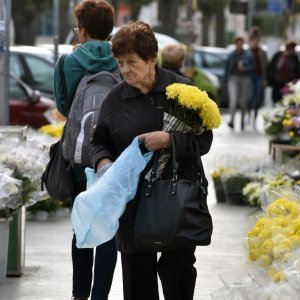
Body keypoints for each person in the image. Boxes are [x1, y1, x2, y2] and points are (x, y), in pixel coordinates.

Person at [90, 20, 213, 300]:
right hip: (132, 202)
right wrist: (104, 164)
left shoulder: (182, 92)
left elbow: (204, 141)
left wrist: (170, 140)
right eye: (120, 63)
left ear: (150, 59)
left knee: (178, 271)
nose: (125, 69)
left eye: (131, 62)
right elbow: (99, 143)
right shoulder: (115, 98)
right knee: (137, 279)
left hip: (176, 197)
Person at [53, 1, 118, 299]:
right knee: (109, 230)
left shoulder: (67, 63)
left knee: (82, 227)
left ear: (84, 30)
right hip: (114, 157)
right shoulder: (121, 59)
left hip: (80, 156)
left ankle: (79, 294)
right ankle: (100, 296)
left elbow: (63, 106)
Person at [225, 36, 254, 130]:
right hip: (233, 78)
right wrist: (225, 80)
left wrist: (245, 68)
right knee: (233, 100)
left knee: (243, 102)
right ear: (235, 43)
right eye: (238, 43)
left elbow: (253, 67)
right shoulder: (231, 54)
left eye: (241, 43)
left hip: (244, 79)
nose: (239, 45)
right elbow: (226, 68)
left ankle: (242, 121)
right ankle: (232, 121)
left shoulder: (248, 54)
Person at [267, 40, 300, 105]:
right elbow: (271, 67)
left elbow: (297, 70)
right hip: (277, 82)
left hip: (288, 84)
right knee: (276, 100)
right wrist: (268, 79)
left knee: (287, 101)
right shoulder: (278, 55)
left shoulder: (294, 58)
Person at [247, 27, 268, 129]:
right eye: (253, 39)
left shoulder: (262, 52)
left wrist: (265, 79)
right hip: (249, 77)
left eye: (257, 39)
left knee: (257, 98)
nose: (256, 41)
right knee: (250, 97)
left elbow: (265, 66)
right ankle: (248, 116)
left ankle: (254, 119)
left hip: (259, 76)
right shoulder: (247, 51)